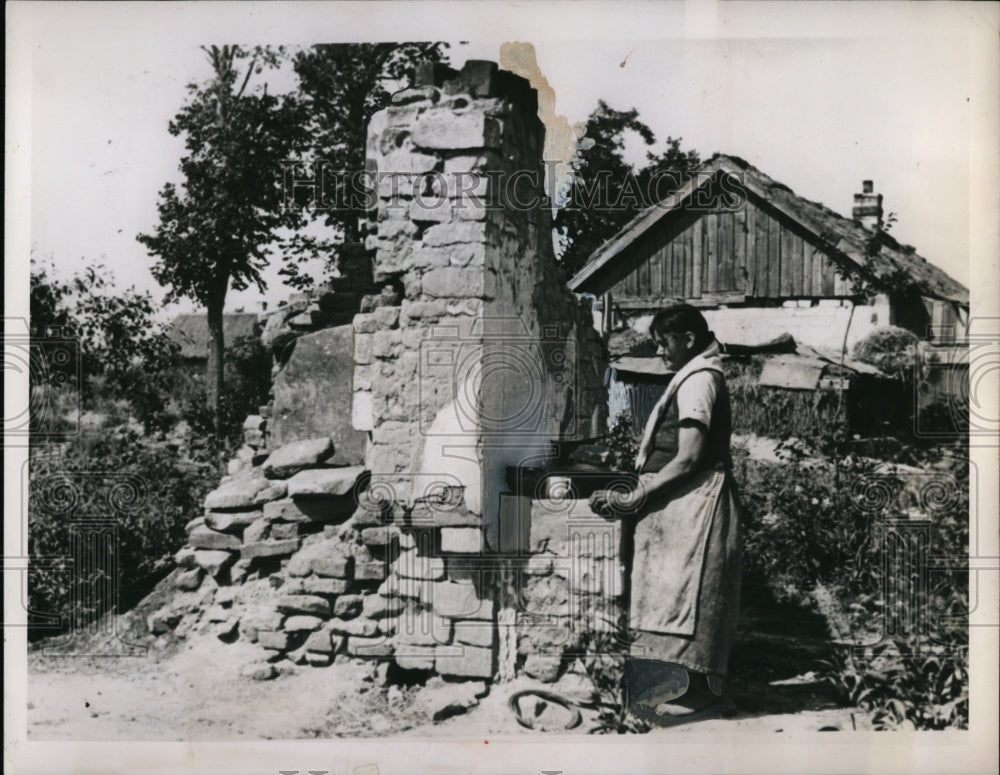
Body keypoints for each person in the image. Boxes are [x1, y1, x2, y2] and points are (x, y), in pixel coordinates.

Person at [590, 304, 742, 727]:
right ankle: (685, 693)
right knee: (674, 597)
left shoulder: (700, 382)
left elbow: (689, 456)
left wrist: (635, 495)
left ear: (688, 340)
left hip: (697, 503)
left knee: (690, 598)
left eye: (663, 343)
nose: (659, 353)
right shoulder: (695, 375)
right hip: (682, 503)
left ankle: (704, 699)